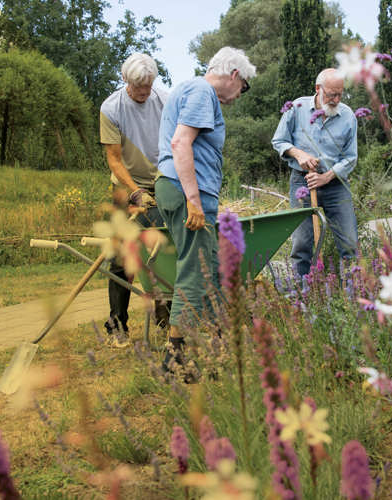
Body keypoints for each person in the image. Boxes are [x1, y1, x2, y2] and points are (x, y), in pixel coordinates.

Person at [154, 46, 255, 373]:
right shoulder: (201, 91)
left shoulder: (191, 90)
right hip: (186, 193)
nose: (241, 95)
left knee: (208, 265)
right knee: (195, 269)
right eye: (244, 87)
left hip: (183, 191)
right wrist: (194, 202)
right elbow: (180, 143)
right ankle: (175, 356)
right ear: (235, 75)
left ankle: (215, 345)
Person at [99, 53, 169, 343]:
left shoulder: (165, 100)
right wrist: (135, 191)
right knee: (120, 259)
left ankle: (167, 321)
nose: (144, 92)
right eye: (138, 86)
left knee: (163, 256)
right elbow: (114, 160)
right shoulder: (111, 108)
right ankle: (117, 326)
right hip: (126, 188)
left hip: (162, 185)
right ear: (124, 79)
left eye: (148, 85)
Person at [271, 68, 359, 278]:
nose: (336, 99)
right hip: (302, 183)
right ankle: (302, 294)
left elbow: (351, 157)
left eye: (340, 94)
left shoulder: (348, 116)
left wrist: (327, 176)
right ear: (318, 89)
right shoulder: (296, 108)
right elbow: (279, 141)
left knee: (349, 242)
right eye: (331, 94)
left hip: (336, 184)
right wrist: (298, 154)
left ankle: (353, 294)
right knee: (302, 243)